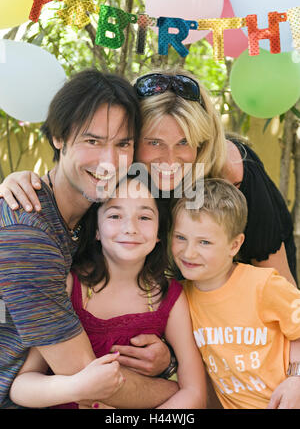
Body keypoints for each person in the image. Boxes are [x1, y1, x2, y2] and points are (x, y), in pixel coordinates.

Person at [1, 69, 296, 285]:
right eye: (154, 142)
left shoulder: (232, 170)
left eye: (184, 142)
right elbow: (75, 174)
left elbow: (282, 289)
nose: (169, 160)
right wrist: (23, 181)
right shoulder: (120, 173)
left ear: (202, 143)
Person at [0, 69, 177, 409]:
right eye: (92, 141)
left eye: (123, 144)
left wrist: (167, 360)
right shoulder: (27, 232)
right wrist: (188, 393)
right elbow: (88, 376)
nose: (109, 162)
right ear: (59, 137)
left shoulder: (92, 219)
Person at [9, 174, 206, 409]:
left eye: (144, 217)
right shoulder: (70, 286)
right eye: (115, 215)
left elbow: (194, 393)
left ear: (158, 234)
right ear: (96, 230)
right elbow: (21, 386)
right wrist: (76, 387)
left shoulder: (169, 297)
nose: (130, 228)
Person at [171, 178, 300, 409]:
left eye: (204, 242)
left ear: (234, 245)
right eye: (181, 237)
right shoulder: (181, 299)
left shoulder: (262, 285)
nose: (188, 252)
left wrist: (297, 379)